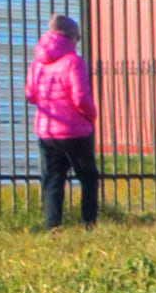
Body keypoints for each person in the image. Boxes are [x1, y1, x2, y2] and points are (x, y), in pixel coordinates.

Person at [25, 14, 100, 228]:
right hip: (74, 131)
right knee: (88, 177)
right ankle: (89, 222)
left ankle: (53, 225)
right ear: (72, 37)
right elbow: (80, 98)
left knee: (53, 179)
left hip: (46, 131)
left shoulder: (37, 63)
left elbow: (30, 94)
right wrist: (90, 115)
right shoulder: (73, 62)